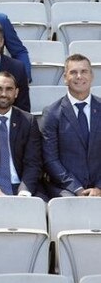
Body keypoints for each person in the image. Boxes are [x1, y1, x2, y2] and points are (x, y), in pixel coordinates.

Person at [41, 54, 101, 197]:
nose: (79, 76)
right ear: (65, 78)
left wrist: (99, 187)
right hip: (67, 189)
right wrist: (76, 188)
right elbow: (50, 159)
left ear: (92, 76)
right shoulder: (51, 113)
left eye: (84, 71)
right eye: (73, 72)